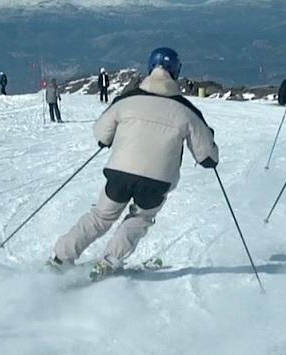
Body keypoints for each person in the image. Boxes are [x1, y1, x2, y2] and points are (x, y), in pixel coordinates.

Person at [47, 47, 219, 279]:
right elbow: (207, 157)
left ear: (150, 67)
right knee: (140, 218)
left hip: (120, 173)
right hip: (157, 181)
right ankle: (108, 261)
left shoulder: (127, 100)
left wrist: (111, 139)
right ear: (176, 71)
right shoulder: (186, 111)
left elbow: (100, 134)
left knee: (100, 217)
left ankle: (61, 258)